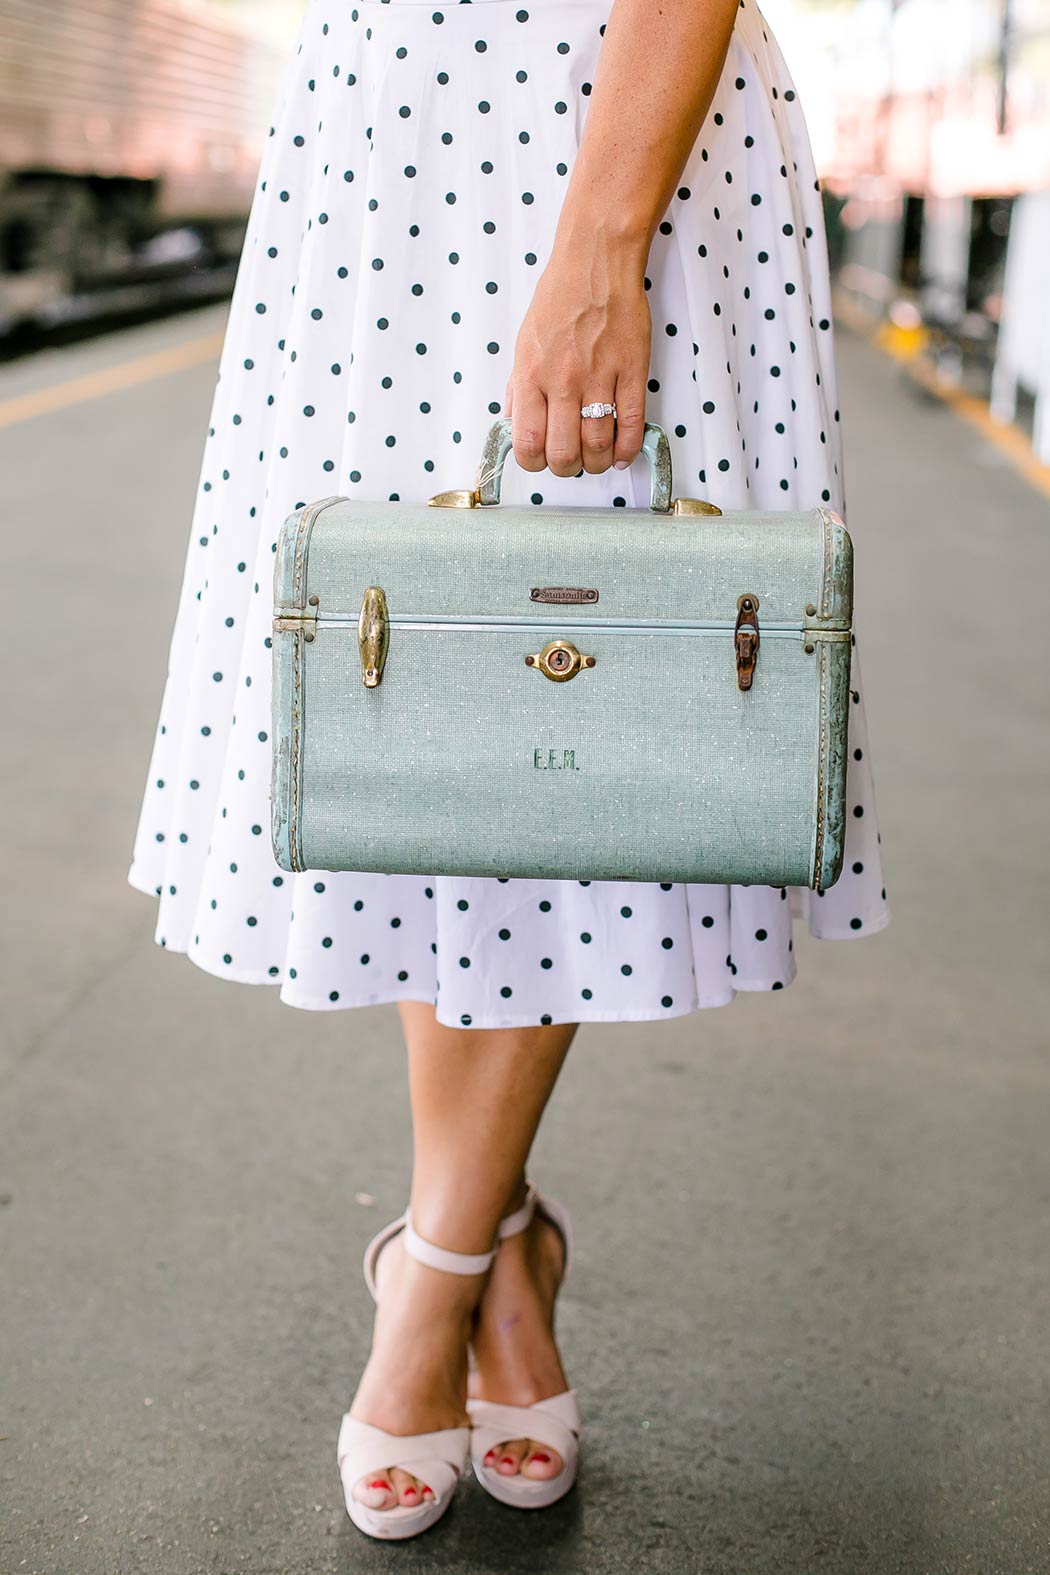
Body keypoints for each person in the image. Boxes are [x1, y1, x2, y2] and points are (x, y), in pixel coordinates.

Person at [129, 0, 890, 1541]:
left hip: (588, 138)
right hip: (378, 162)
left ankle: (436, 1284)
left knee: (580, 716)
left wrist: (603, 241)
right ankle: (497, 1244)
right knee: (432, 723)